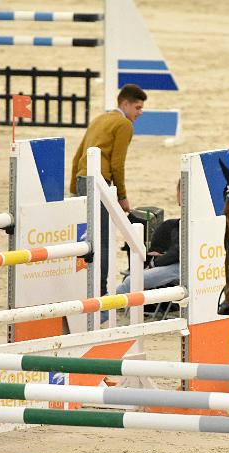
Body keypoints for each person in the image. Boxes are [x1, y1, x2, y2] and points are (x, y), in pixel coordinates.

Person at [70, 83, 147, 297]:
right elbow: (117, 164)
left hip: (82, 180)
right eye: (138, 108)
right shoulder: (123, 124)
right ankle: (101, 293)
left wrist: (73, 189)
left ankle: (85, 288)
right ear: (125, 104)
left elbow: (78, 156)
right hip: (100, 183)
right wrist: (122, 196)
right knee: (102, 240)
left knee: (87, 237)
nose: (140, 113)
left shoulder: (99, 119)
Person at [116, 181, 180, 296]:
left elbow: (177, 251)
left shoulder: (181, 224)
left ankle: (105, 306)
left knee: (131, 282)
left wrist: (156, 262)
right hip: (194, 265)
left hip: (180, 267)